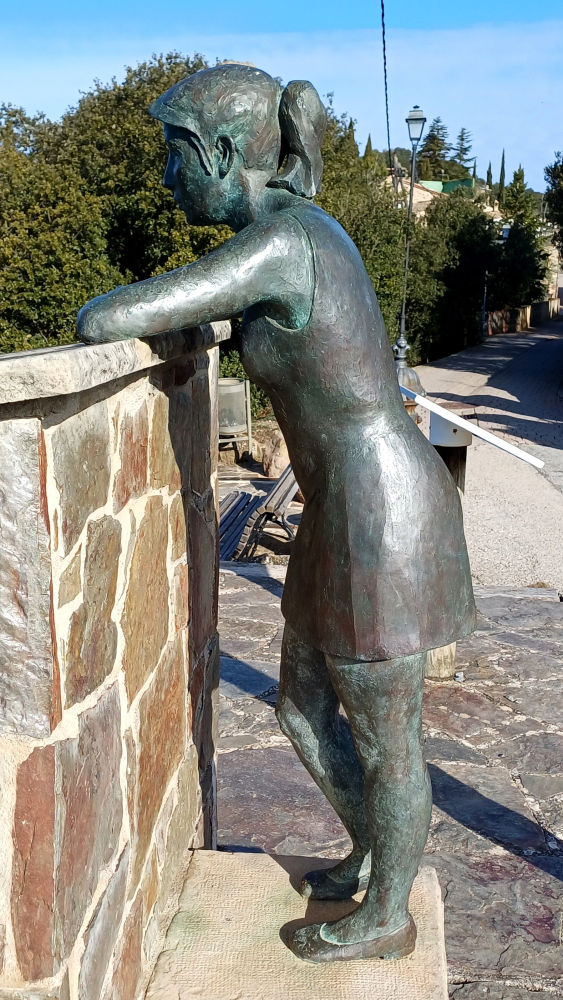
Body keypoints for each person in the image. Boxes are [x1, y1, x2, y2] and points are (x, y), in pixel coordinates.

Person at [77, 63, 475, 963]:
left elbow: (109, 318)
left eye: (177, 158)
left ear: (222, 152)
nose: (170, 178)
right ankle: (370, 854)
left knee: (386, 738)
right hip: (344, 510)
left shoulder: (284, 242)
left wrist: (151, 312)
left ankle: (387, 917)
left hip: (382, 514)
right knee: (299, 708)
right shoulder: (288, 239)